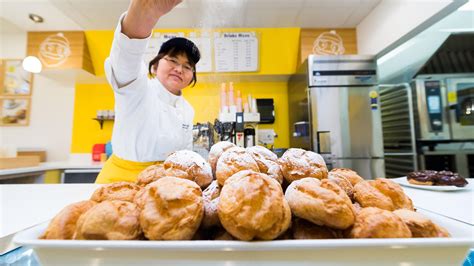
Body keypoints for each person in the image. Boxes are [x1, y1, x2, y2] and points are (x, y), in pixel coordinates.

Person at [95, 0, 200, 184]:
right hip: (120, 183)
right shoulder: (138, 89)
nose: (179, 69)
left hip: (163, 185)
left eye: (187, 66)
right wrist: (146, 13)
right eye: (173, 61)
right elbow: (126, 61)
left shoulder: (188, 109)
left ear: (192, 76)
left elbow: (185, 153)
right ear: (155, 66)